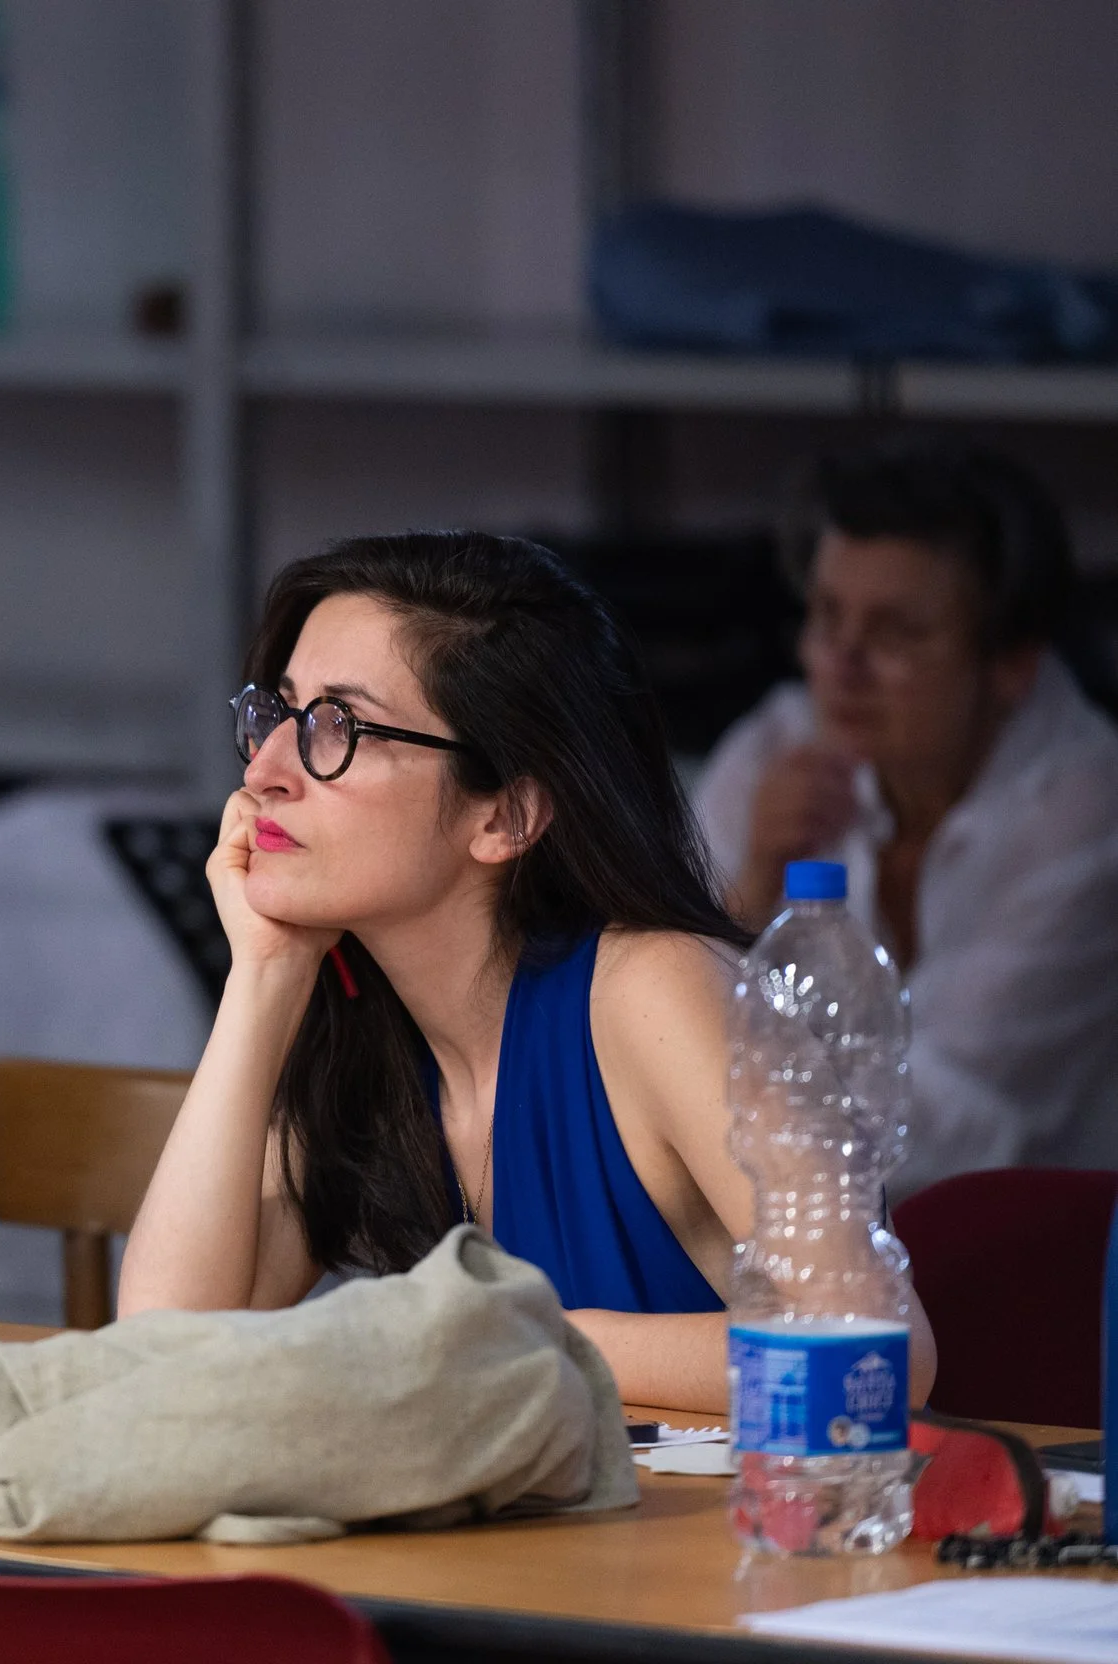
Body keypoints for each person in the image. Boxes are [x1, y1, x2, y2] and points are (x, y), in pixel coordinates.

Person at [117, 532, 936, 1414]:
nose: (266, 770)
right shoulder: (359, 1021)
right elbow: (162, 1352)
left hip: (739, 1542)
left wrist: (501, 1334)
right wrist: (264, 974)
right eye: (277, 714)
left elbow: (878, 1353)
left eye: (335, 728)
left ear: (504, 816)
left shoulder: (655, 987)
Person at [694, 440, 1118, 1196]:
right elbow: (648, 1032)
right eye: (827, 618)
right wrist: (751, 890)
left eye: (896, 633)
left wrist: (706, 1123)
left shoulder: (1088, 811)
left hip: (1033, 1256)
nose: (843, 665)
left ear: (1013, 663)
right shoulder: (770, 753)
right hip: (787, 1217)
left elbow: (959, 1121)